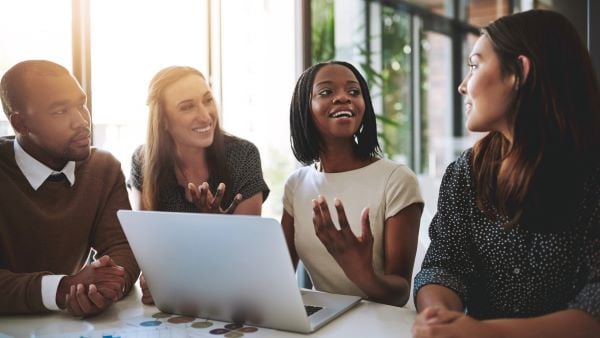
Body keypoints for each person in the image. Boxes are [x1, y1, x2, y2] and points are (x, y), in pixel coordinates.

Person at [412, 10, 600, 338]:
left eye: (475, 64)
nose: (462, 85)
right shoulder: (465, 174)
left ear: (518, 73)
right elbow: (443, 265)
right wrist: (438, 315)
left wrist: (487, 333)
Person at [0, 60, 140, 316]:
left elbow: (122, 248)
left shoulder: (103, 167)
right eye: (59, 111)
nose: (81, 121)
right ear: (21, 124)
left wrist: (102, 289)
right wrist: (63, 289)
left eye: (81, 104)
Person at [282, 61, 423, 306]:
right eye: (326, 92)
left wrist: (361, 272)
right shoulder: (296, 185)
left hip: (387, 324)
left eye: (354, 92)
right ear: (304, 108)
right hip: (327, 323)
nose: (343, 98)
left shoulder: (397, 179)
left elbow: (400, 293)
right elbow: (279, 278)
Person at [130, 66, 269, 304]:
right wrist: (155, 279)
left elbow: (246, 257)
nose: (205, 116)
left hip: (236, 299)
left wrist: (215, 229)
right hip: (175, 305)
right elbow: (150, 254)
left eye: (208, 101)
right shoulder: (143, 161)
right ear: (162, 120)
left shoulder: (243, 155)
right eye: (187, 107)